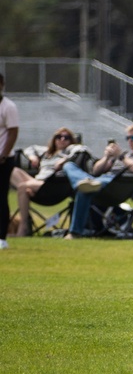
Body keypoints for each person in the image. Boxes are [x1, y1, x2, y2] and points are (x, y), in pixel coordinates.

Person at [62, 123, 133, 239]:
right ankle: (85, 182)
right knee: (70, 166)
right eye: (128, 138)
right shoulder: (124, 154)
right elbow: (96, 171)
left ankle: (74, 232)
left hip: (117, 184)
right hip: (101, 181)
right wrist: (107, 157)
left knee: (85, 189)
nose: (130, 141)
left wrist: (120, 156)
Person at [10, 127, 87, 237]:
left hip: (51, 186)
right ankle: (27, 192)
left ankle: (24, 226)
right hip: (37, 182)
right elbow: (30, 148)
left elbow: (82, 149)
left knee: (22, 187)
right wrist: (33, 157)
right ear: (54, 139)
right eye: (58, 137)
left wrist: (65, 159)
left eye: (66, 138)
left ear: (71, 141)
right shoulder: (47, 152)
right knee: (13, 171)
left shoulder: (69, 151)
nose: (62, 139)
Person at [0, 71, 19, 250]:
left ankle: (2, 238)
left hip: (3, 160)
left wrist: (3, 154)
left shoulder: (8, 107)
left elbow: (13, 132)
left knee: (1, 197)